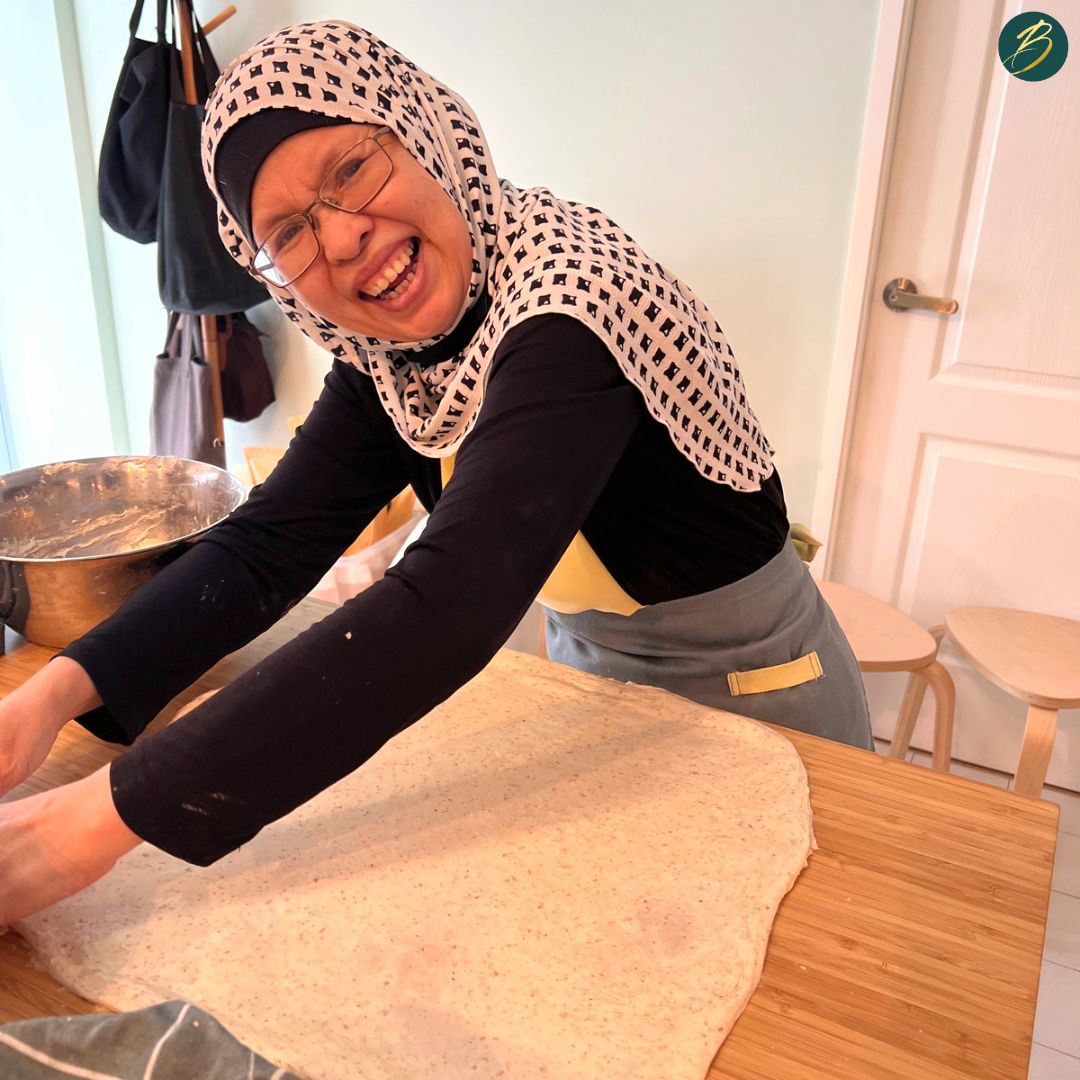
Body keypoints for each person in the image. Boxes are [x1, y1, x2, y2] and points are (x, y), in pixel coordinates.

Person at [0, 20, 871, 924]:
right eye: (288, 232)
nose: (339, 241)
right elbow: (268, 546)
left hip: (763, 706)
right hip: (603, 702)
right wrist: (47, 699)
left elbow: (446, 608)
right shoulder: (393, 350)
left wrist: (81, 829)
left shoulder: (572, 307)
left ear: (421, 130)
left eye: (350, 170)